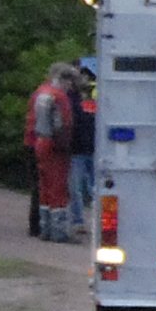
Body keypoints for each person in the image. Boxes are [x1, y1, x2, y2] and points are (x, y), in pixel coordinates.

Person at [28, 62, 75, 240]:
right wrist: (66, 146)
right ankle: (59, 231)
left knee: (45, 187)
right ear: (64, 79)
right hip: (55, 145)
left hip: (40, 141)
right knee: (58, 188)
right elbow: (63, 125)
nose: (71, 86)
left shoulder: (42, 93)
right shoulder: (60, 97)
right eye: (70, 81)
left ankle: (45, 228)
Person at [67, 64, 98, 239]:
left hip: (94, 149)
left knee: (97, 189)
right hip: (76, 150)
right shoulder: (70, 97)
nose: (85, 80)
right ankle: (77, 221)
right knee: (76, 189)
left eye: (88, 77)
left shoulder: (96, 96)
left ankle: (98, 223)